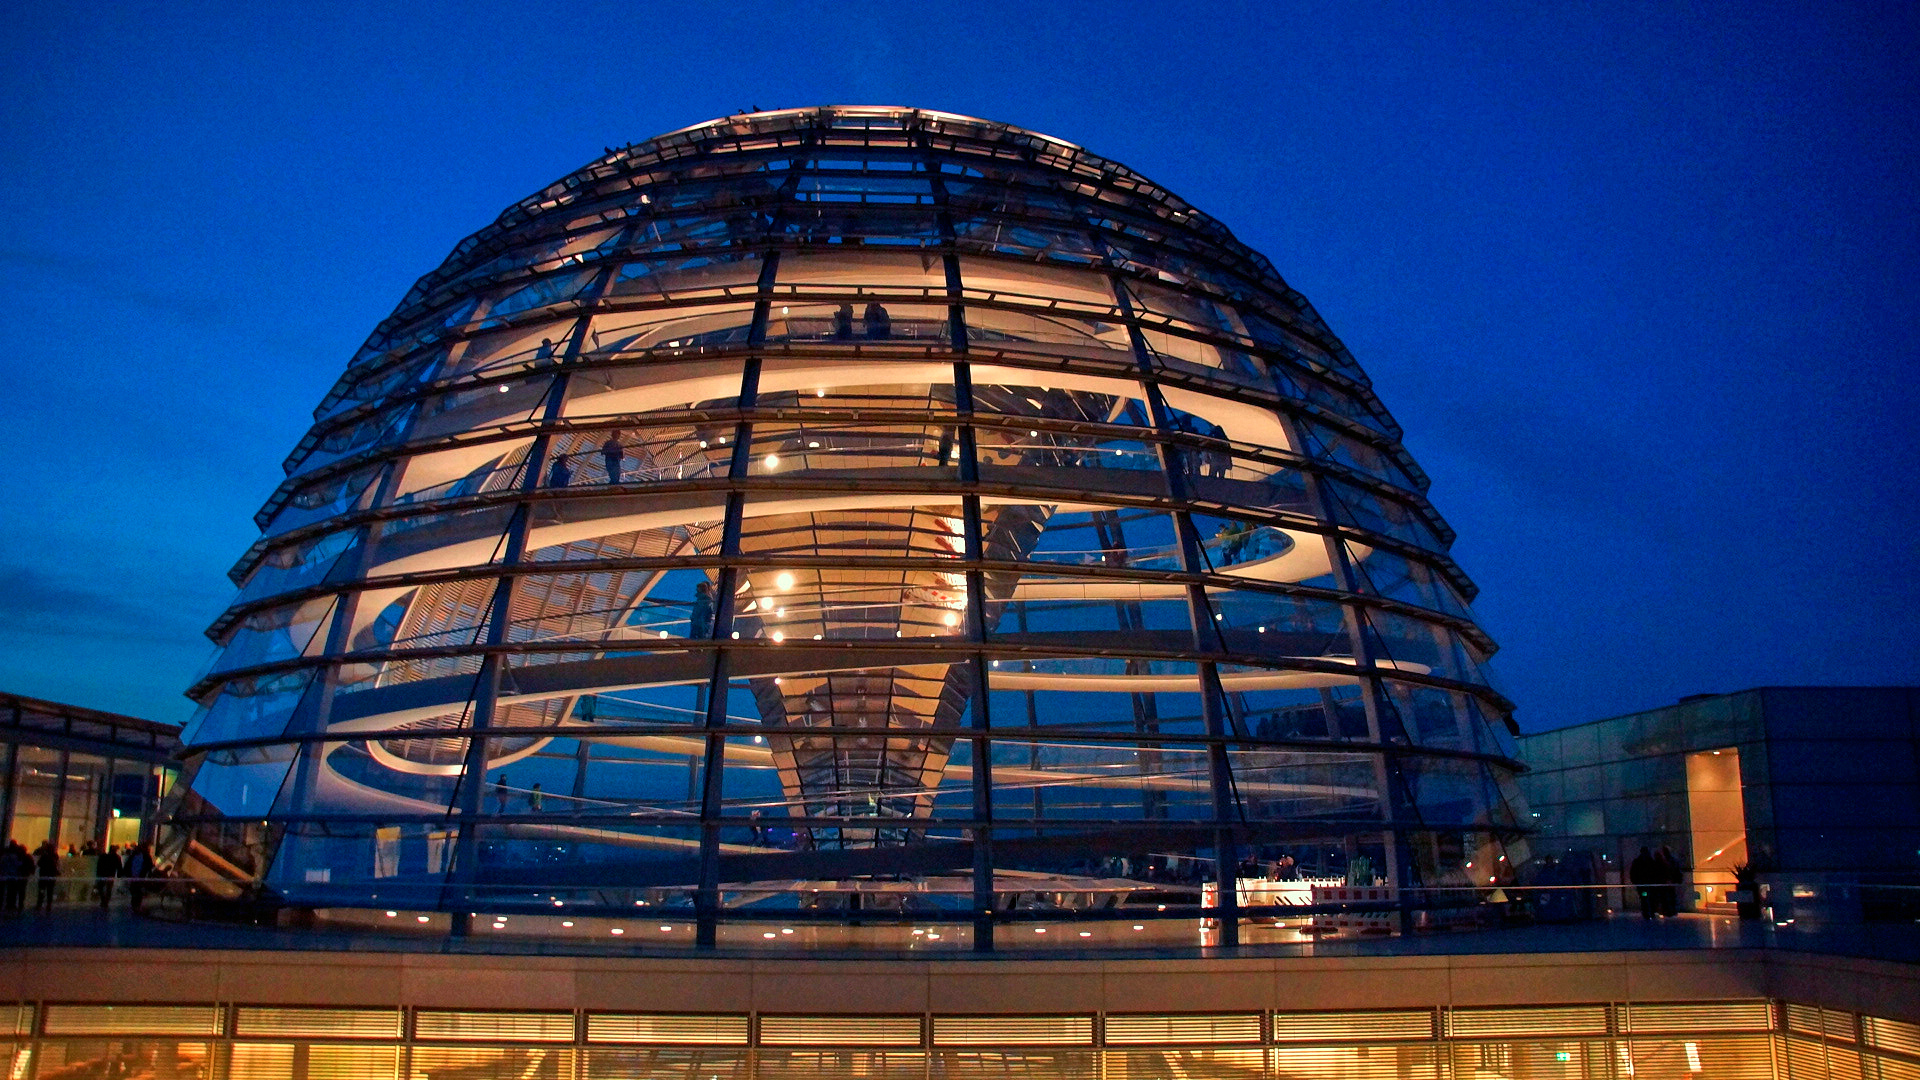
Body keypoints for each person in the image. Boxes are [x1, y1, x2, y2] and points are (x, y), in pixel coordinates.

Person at [124, 843, 154, 915]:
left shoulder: (144, 856)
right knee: (135, 891)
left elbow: (149, 866)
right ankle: (135, 906)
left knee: (137, 891)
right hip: (135, 877)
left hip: (139, 877)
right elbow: (128, 866)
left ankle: (136, 906)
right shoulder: (134, 856)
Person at [1628, 846, 1657, 919]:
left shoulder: (1637, 861)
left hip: (1642, 885)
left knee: (1644, 898)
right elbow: (1655, 872)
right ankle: (1650, 912)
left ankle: (1646, 913)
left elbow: (1633, 873)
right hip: (1649, 884)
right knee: (1649, 898)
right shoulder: (1650, 861)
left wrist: (1635, 881)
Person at [1656, 846, 1683, 917]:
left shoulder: (1662, 861)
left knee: (1666, 897)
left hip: (1665, 882)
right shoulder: (1673, 860)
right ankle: (1672, 911)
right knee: (1671, 897)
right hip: (1670, 882)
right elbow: (1677, 871)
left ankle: (1668, 911)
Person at [33, 840, 59, 913]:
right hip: (51, 876)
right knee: (50, 891)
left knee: (42, 890)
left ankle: (39, 904)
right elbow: (56, 865)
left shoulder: (44, 856)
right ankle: (49, 905)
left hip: (44, 875)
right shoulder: (55, 856)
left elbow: (39, 864)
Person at [95, 844, 122, 910]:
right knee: (108, 889)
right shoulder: (117, 857)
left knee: (101, 887)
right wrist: (119, 874)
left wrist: (98, 873)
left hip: (103, 874)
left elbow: (99, 865)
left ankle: (104, 900)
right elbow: (119, 867)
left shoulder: (103, 856)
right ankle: (105, 901)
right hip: (110, 875)